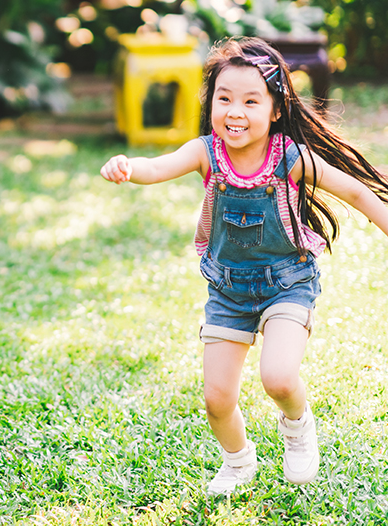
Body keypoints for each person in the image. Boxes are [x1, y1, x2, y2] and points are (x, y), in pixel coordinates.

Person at [100, 37, 388, 496]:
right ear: (210, 102)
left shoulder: (289, 157)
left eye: (251, 101)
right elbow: (158, 167)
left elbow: (353, 191)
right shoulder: (205, 153)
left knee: (277, 376)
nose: (235, 111)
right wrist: (127, 166)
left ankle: (297, 426)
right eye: (224, 98)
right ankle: (237, 462)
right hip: (229, 292)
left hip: (287, 283)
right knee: (216, 400)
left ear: (276, 109)